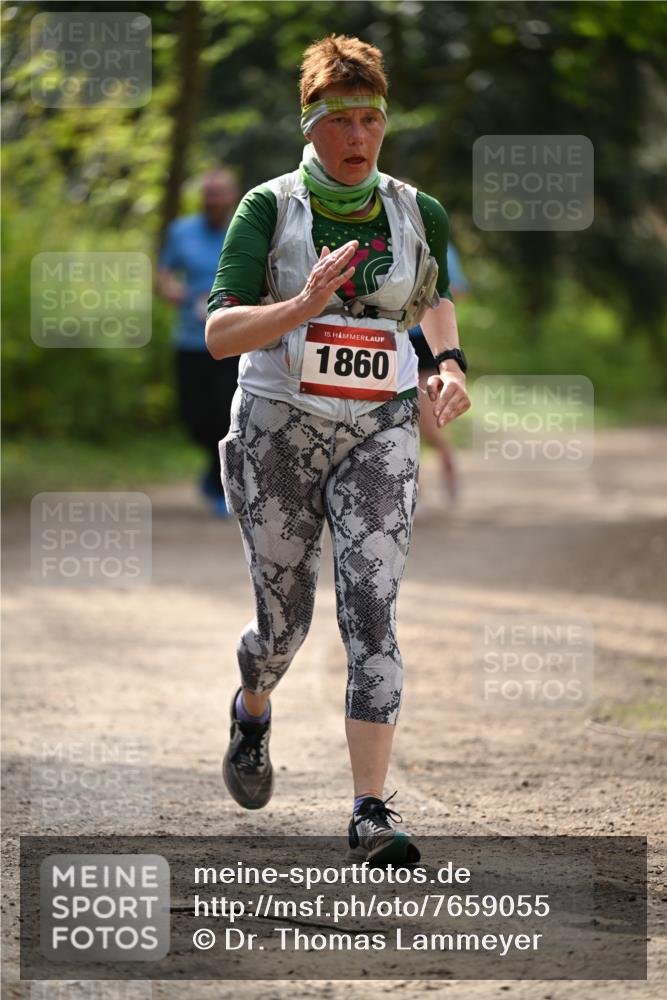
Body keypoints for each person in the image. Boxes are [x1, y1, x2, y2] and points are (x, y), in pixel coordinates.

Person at [205, 34, 470, 865]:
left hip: (379, 430)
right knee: (283, 626)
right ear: (310, 125)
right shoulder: (267, 208)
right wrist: (300, 305)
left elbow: (433, 301)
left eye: (371, 120)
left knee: (371, 612)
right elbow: (218, 332)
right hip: (277, 429)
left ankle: (369, 811)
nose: (358, 136)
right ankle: (252, 707)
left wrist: (448, 366)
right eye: (341, 121)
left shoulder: (415, 210)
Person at [156, 169, 240, 516]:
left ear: (232, 196)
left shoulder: (247, 227)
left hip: (234, 338)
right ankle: (212, 469)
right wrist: (171, 291)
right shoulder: (181, 231)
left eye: (219, 194)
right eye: (209, 194)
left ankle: (217, 482)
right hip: (190, 340)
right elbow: (163, 272)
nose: (214, 200)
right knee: (194, 417)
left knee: (225, 412)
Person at [408, 243, 470, 502]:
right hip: (387, 340)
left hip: (425, 343)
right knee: (402, 421)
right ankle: (413, 492)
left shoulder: (440, 246)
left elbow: (457, 291)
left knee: (427, 422)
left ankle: (449, 466)